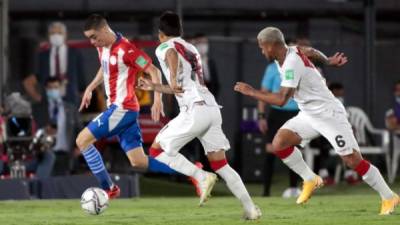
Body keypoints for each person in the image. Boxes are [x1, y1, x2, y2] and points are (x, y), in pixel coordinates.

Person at [234, 26, 399, 215]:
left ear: (271, 45)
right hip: (309, 114)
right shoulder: (292, 50)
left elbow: (281, 100)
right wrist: (328, 60)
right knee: (280, 143)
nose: (261, 50)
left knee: (352, 160)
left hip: (329, 114)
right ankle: (311, 179)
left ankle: (389, 196)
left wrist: (252, 92)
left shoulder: (290, 64)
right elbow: (311, 51)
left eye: (262, 47)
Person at [137, 11, 261, 220]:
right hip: (211, 108)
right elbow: (181, 87)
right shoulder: (191, 47)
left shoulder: (165, 47)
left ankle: (200, 176)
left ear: (160, 34)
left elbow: (172, 57)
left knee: (156, 151)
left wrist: (173, 76)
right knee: (221, 164)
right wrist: (155, 86)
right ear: (181, 31)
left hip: (194, 110)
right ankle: (250, 209)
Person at [76, 14, 213, 200]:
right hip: (122, 110)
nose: (92, 42)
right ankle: (195, 172)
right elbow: (104, 66)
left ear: (103, 30)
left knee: (82, 141)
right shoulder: (103, 47)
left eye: (93, 37)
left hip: (122, 109)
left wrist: (158, 99)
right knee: (139, 162)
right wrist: (91, 87)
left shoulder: (127, 50)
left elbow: (153, 70)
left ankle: (109, 188)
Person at [23, 22, 85, 128]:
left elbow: (81, 81)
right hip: (48, 103)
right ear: (49, 36)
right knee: (49, 133)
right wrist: (39, 97)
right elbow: (37, 76)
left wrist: (80, 104)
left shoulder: (74, 54)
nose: (56, 35)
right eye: (53, 33)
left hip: (70, 100)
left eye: (59, 32)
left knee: (71, 133)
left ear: (65, 35)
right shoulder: (43, 56)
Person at [258, 59, 300, 198]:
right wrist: (261, 115)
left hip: (295, 114)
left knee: (294, 151)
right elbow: (263, 93)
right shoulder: (272, 68)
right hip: (276, 114)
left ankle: (294, 189)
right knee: (270, 150)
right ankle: (266, 192)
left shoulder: (297, 67)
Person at [45, 77, 80, 175]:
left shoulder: (71, 109)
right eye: (50, 88)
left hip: (66, 154)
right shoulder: (40, 109)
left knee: (65, 184)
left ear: (60, 88)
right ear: (46, 89)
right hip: (47, 154)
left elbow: (79, 129)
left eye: (56, 87)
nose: (53, 90)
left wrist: (79, 147)